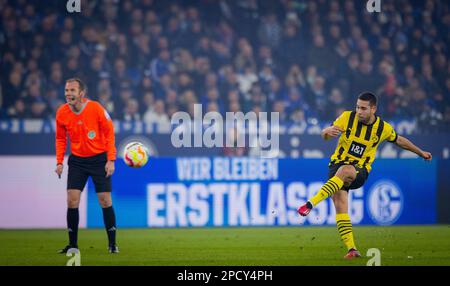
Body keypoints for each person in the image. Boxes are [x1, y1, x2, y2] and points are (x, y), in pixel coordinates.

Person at [297, 92, 432, 259]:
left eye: (363, 108)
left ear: (373, 109)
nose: (359, 111)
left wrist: (420, 152)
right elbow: (325, 136)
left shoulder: (382, 128)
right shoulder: (347, 117)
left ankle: (310, 203)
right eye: (357, 107)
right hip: (336, 165)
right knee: (340, 205)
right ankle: (352, 249)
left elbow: (399, 140)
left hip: (360, 170)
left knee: (347, 171)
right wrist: (326, 131)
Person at [55, 78, 119, 254]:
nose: (68, 94)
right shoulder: (61, 113)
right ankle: (73, 245)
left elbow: (109, 133)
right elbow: (61, 138)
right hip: (77, 161)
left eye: (72, 90)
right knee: (72, 199)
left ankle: (112, 244)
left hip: (99, 159)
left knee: (105, 200)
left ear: (81, 94)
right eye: (67, 90)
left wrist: (110, 159)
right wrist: (59, 161)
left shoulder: (96, 108)